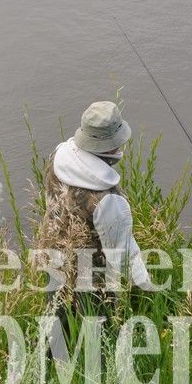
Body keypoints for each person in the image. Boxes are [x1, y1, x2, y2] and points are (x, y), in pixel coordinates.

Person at [41, 101, 154, 316]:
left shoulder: (58, 156)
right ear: (113, 145)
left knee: (55, 326)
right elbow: (123, 255)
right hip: (89, 282)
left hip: (52, 258)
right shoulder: (108, 200)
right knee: (98, 338)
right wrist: (146, 286)